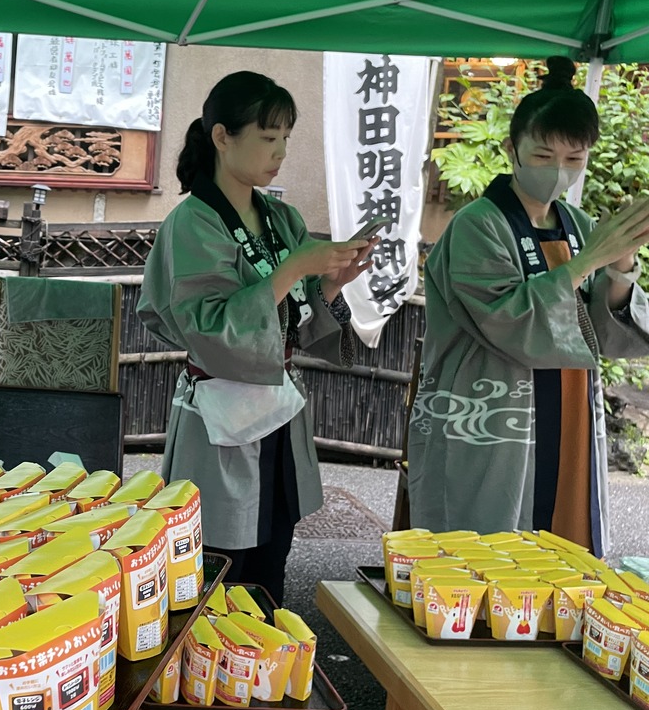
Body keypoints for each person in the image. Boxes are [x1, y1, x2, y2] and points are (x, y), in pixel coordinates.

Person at [137, 71, 373, 603]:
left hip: (277, 415)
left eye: (286, 137)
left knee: (271, 556)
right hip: (219, 415)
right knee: (216, 564)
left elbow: (297, 323)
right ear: (222, 137)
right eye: (268, 137)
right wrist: (292, 269)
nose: (280, 152)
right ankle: (210, 653)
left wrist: (331, 284)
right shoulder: (193, 222)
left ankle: (266, 647)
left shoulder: (281, 218)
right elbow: (208, 329)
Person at [408, 57, 649, 555]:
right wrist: (589, 261)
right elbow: (507, 320)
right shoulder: (478, 225)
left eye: (574, 158)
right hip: (493, 412)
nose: (558, 171)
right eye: (543, 155)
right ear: (510, 148)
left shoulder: (578, 224)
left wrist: (621, 265)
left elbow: (601, 333)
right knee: (483, 549)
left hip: (568, 412)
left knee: (562, 547)